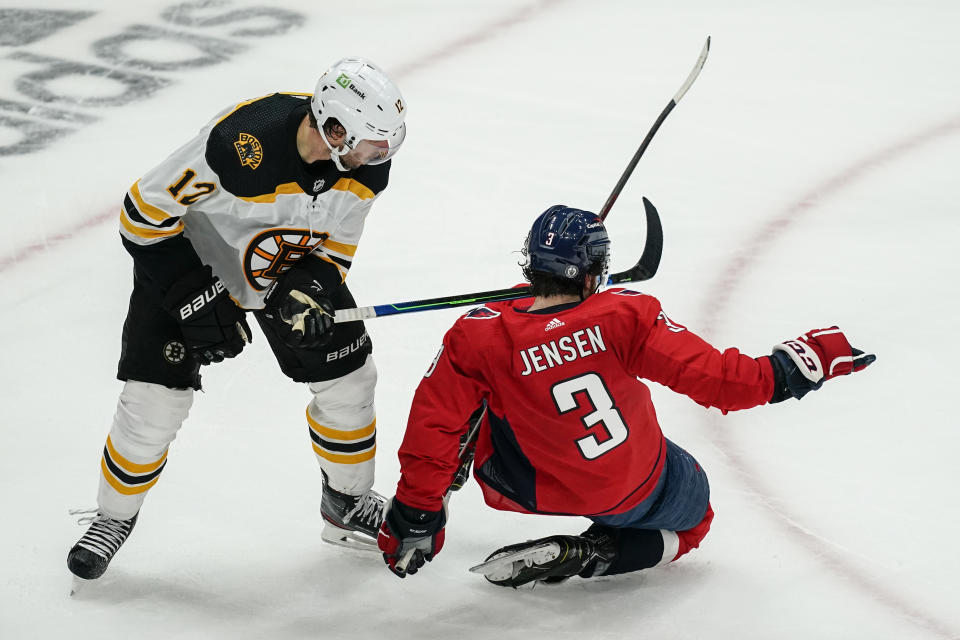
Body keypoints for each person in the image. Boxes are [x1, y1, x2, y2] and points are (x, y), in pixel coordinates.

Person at [377, 200, 875, 586]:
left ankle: (450, 475)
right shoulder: (622, 317)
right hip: (635, 484)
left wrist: (417, 513)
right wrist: (803, 361)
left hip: (528, 484)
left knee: (471, 402)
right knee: (694, 524)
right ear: (593, 269)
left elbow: (431, 423)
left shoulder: (479, 333)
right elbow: (727, 383)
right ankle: (595, 553)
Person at [68, 57, 407, 581]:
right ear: (334, 128)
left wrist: (316, 286)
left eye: (386, 144)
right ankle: (112, 520)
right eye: (368, 142)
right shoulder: (242, 145)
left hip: (283, 274)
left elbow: (339, 240)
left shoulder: (365, 168)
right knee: (154, 402)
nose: (378, 156)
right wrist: (192, 293)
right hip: (191, 270)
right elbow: (141, 215)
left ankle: (346, 503)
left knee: (350, 380)